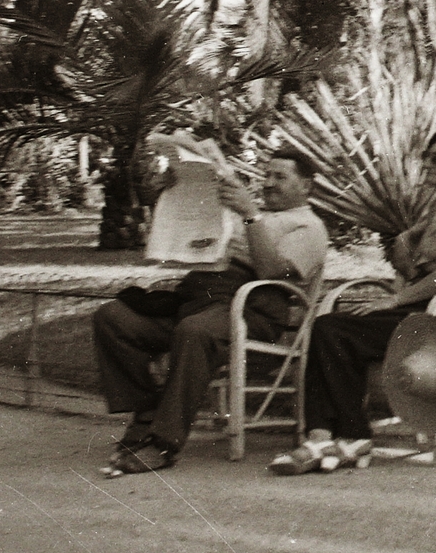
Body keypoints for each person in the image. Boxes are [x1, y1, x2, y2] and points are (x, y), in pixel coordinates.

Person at [271, 128, 436, 475]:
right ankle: (329, 437)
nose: (427, 164)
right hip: (428, 308)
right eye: (425, 157)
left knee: (333, 330)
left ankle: (339, 436)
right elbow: (417, 259)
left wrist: (396, 300)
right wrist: (406, 239)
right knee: (331, 326)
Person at [93, 147, 328, 474]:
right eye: (267, 175)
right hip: (199, 299)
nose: (269, 183)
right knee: (113, 318)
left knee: (195, 331)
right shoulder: (246, 214)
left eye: (280, 177)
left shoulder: (309, 226)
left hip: (251, 310)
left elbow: (272, 271)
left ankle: (163, 444)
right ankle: (146, 412)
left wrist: (250, 215)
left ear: (306, 186)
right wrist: (173, 191)